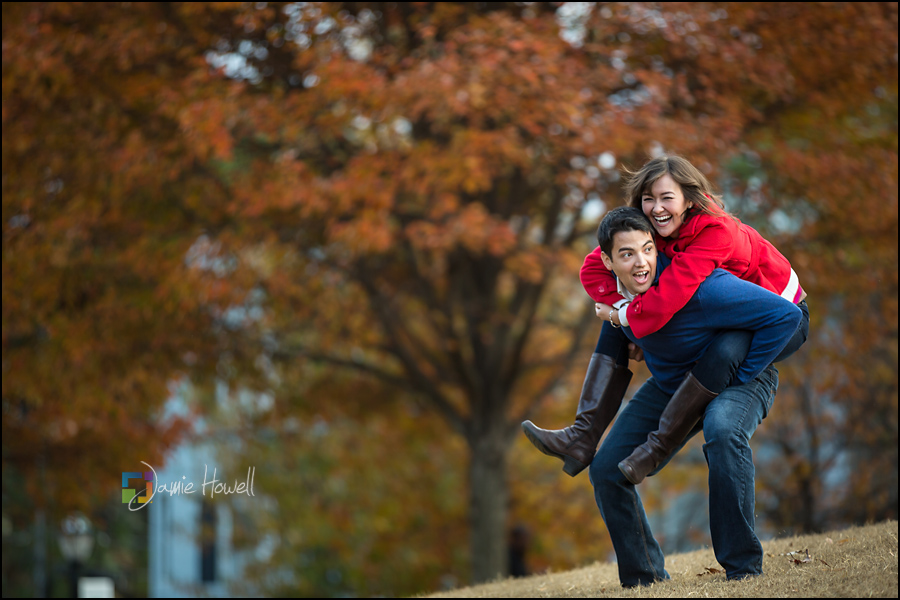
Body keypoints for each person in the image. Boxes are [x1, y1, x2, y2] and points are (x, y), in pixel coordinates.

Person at [522, 154, 809, 481]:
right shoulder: (655, 228)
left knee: (723, 351)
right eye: (648, 199)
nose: (657, 208)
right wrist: (627, 319)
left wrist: (624, 317)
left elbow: (667, 299)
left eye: (666, 198)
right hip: (725, 317)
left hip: (782, 313)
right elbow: (592, 270)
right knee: (624, 302)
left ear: (688, 200)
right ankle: (582, 436)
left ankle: (658, 446)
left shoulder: (716, 232)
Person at [582, 206, 799, 585]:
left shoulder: (702, 286)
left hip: (741, 378)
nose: (640, 262)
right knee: (605, 470)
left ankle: (743, 570)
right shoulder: (619, 298)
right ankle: (644, 579)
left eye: (647, 249)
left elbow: (786, 316)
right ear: (608, 260)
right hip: (675, 386)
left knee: (723, 432)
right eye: (626, 254)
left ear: (658, 248)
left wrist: (746, 373)